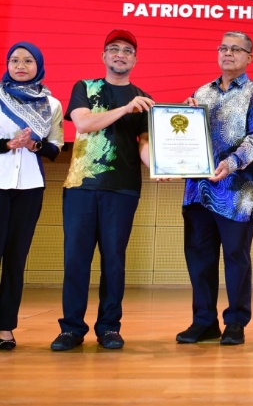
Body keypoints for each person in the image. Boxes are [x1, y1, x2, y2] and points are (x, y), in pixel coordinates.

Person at [53, 30, 153, 352]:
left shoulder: (144, 99)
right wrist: (125, 109)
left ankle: (109, 327)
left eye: (127, 50)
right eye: (113, 49)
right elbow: (82, 124)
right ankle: (71, 329)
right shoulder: (85, 87)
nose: (120, 54)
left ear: (135, 59)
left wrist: (165, 167)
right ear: (104, 56)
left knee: (114, 260)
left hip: (123, 190)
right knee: (76, 260)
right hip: (82, 187)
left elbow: (145, 148)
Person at [175, 32, 253, 347]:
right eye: (223, 48)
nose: (228, 53)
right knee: (199, 257)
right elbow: (187, 136)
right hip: (198, 191)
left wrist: (230, 164)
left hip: (236, 192)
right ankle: (204, 322)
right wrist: (182, 117)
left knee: (235, 257)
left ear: (249, 57)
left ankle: (235, 323)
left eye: (236, 49)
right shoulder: (201, 93)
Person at [0, 42, 65, 350]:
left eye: (28, 61)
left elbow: (55, 148)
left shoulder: (51, 104)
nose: (21, 65)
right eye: (15, 60)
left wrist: (33, 146)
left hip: (29, 188)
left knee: (15, 260)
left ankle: (5, 328)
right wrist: (7, 145)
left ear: (38, 65)